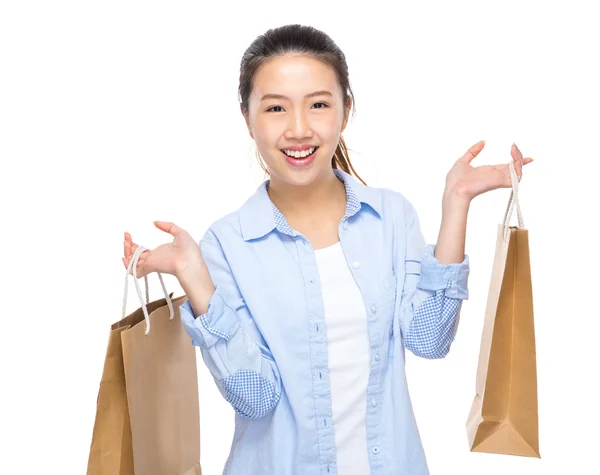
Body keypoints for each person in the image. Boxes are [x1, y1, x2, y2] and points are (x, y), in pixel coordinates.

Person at [122, 24, 533, 475]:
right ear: (247, 118)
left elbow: (429, 341)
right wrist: (192, 275)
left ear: (345, 110)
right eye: (276, 108)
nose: (299, 129)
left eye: (318, 104)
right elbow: (255, 397)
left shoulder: (391, 218)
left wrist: (456, 203)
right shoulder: (227, 243)